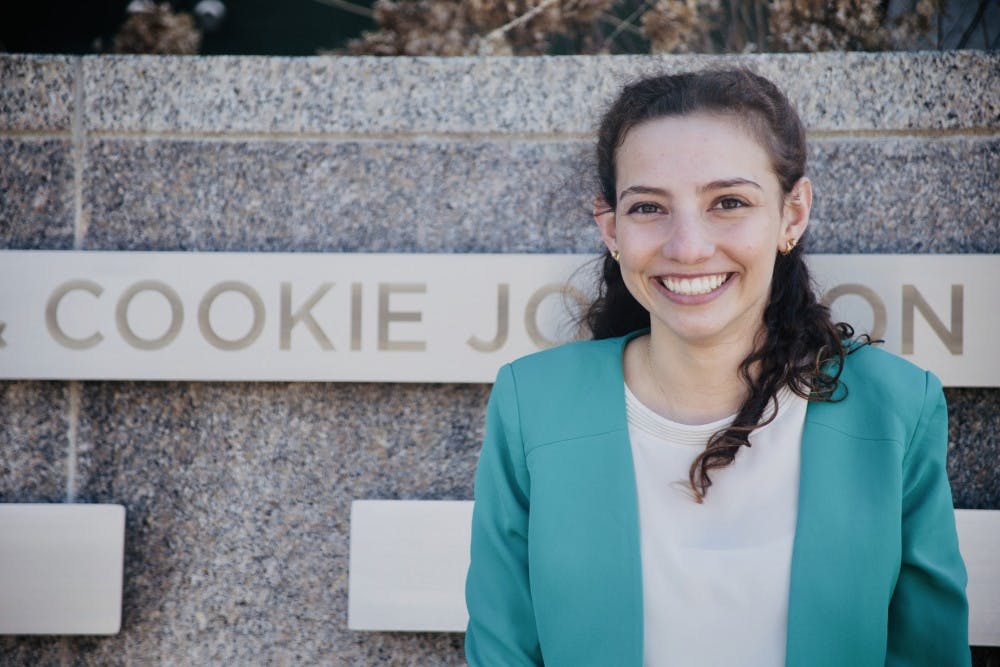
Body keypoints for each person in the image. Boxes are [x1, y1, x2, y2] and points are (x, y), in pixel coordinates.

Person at [463, 68, 970, 666]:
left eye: (728, 203)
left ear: (792, 213)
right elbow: (502, 650)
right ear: (612, 229)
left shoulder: (896, 407)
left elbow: (928, 653)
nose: (688, 247)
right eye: (649, 207)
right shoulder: (534, 402)